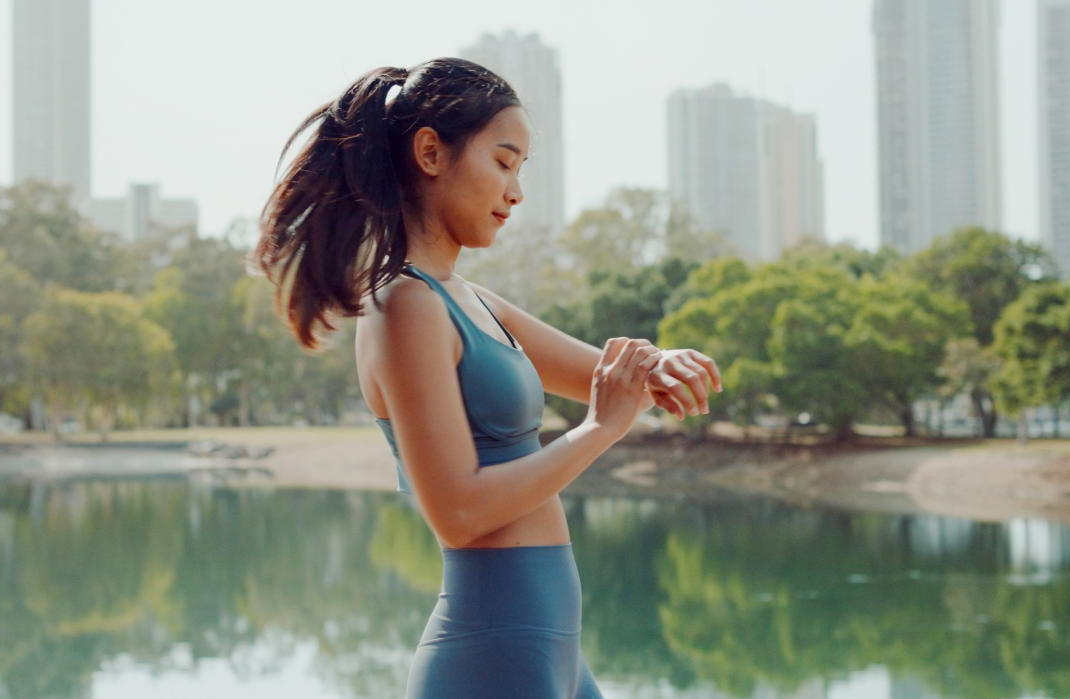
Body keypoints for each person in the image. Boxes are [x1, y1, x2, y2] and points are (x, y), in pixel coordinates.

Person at [254, 57, 721, 699]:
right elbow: (459, 511)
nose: (516, 191)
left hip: (551, 656)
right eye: (503, 162)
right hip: (491, 662)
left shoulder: (470, 299)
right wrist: (599, 431)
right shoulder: (404, 305)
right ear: (430, 153)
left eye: (521, 169)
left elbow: (604, 375)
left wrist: (660, 363)